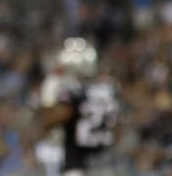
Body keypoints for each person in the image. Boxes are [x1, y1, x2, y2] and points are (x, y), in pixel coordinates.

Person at [39, 38, 121, 176]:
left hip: (78, 163)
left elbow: (50, 120)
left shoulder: (73, 92)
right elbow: (117, 127)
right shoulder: (109, 89)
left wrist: (48, 95)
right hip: (106, 161)